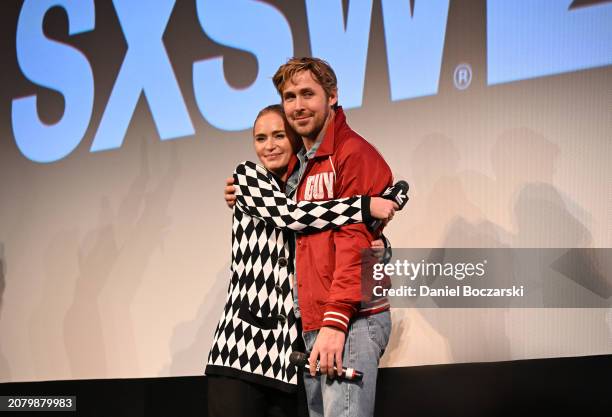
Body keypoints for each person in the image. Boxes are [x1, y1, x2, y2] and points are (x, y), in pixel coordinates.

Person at [206, 104, 397, 417]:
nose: (269, 145)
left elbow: (328, 244)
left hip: (290, 357)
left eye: (279, 135)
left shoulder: (307, 189)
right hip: (242, 351)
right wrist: (363, 206)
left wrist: (380, 244)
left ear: (296, 139)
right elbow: (289, 217)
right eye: (260, 138)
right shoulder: (248, 177)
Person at [273, 57, 394, 417]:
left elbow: (353, 243)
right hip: (315, 319)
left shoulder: (352, 153)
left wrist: (336, 320)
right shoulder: (300, 165)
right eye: (289, 96)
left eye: (307, 94)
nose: (297, 105)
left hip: (349, 318)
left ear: (332, 96)